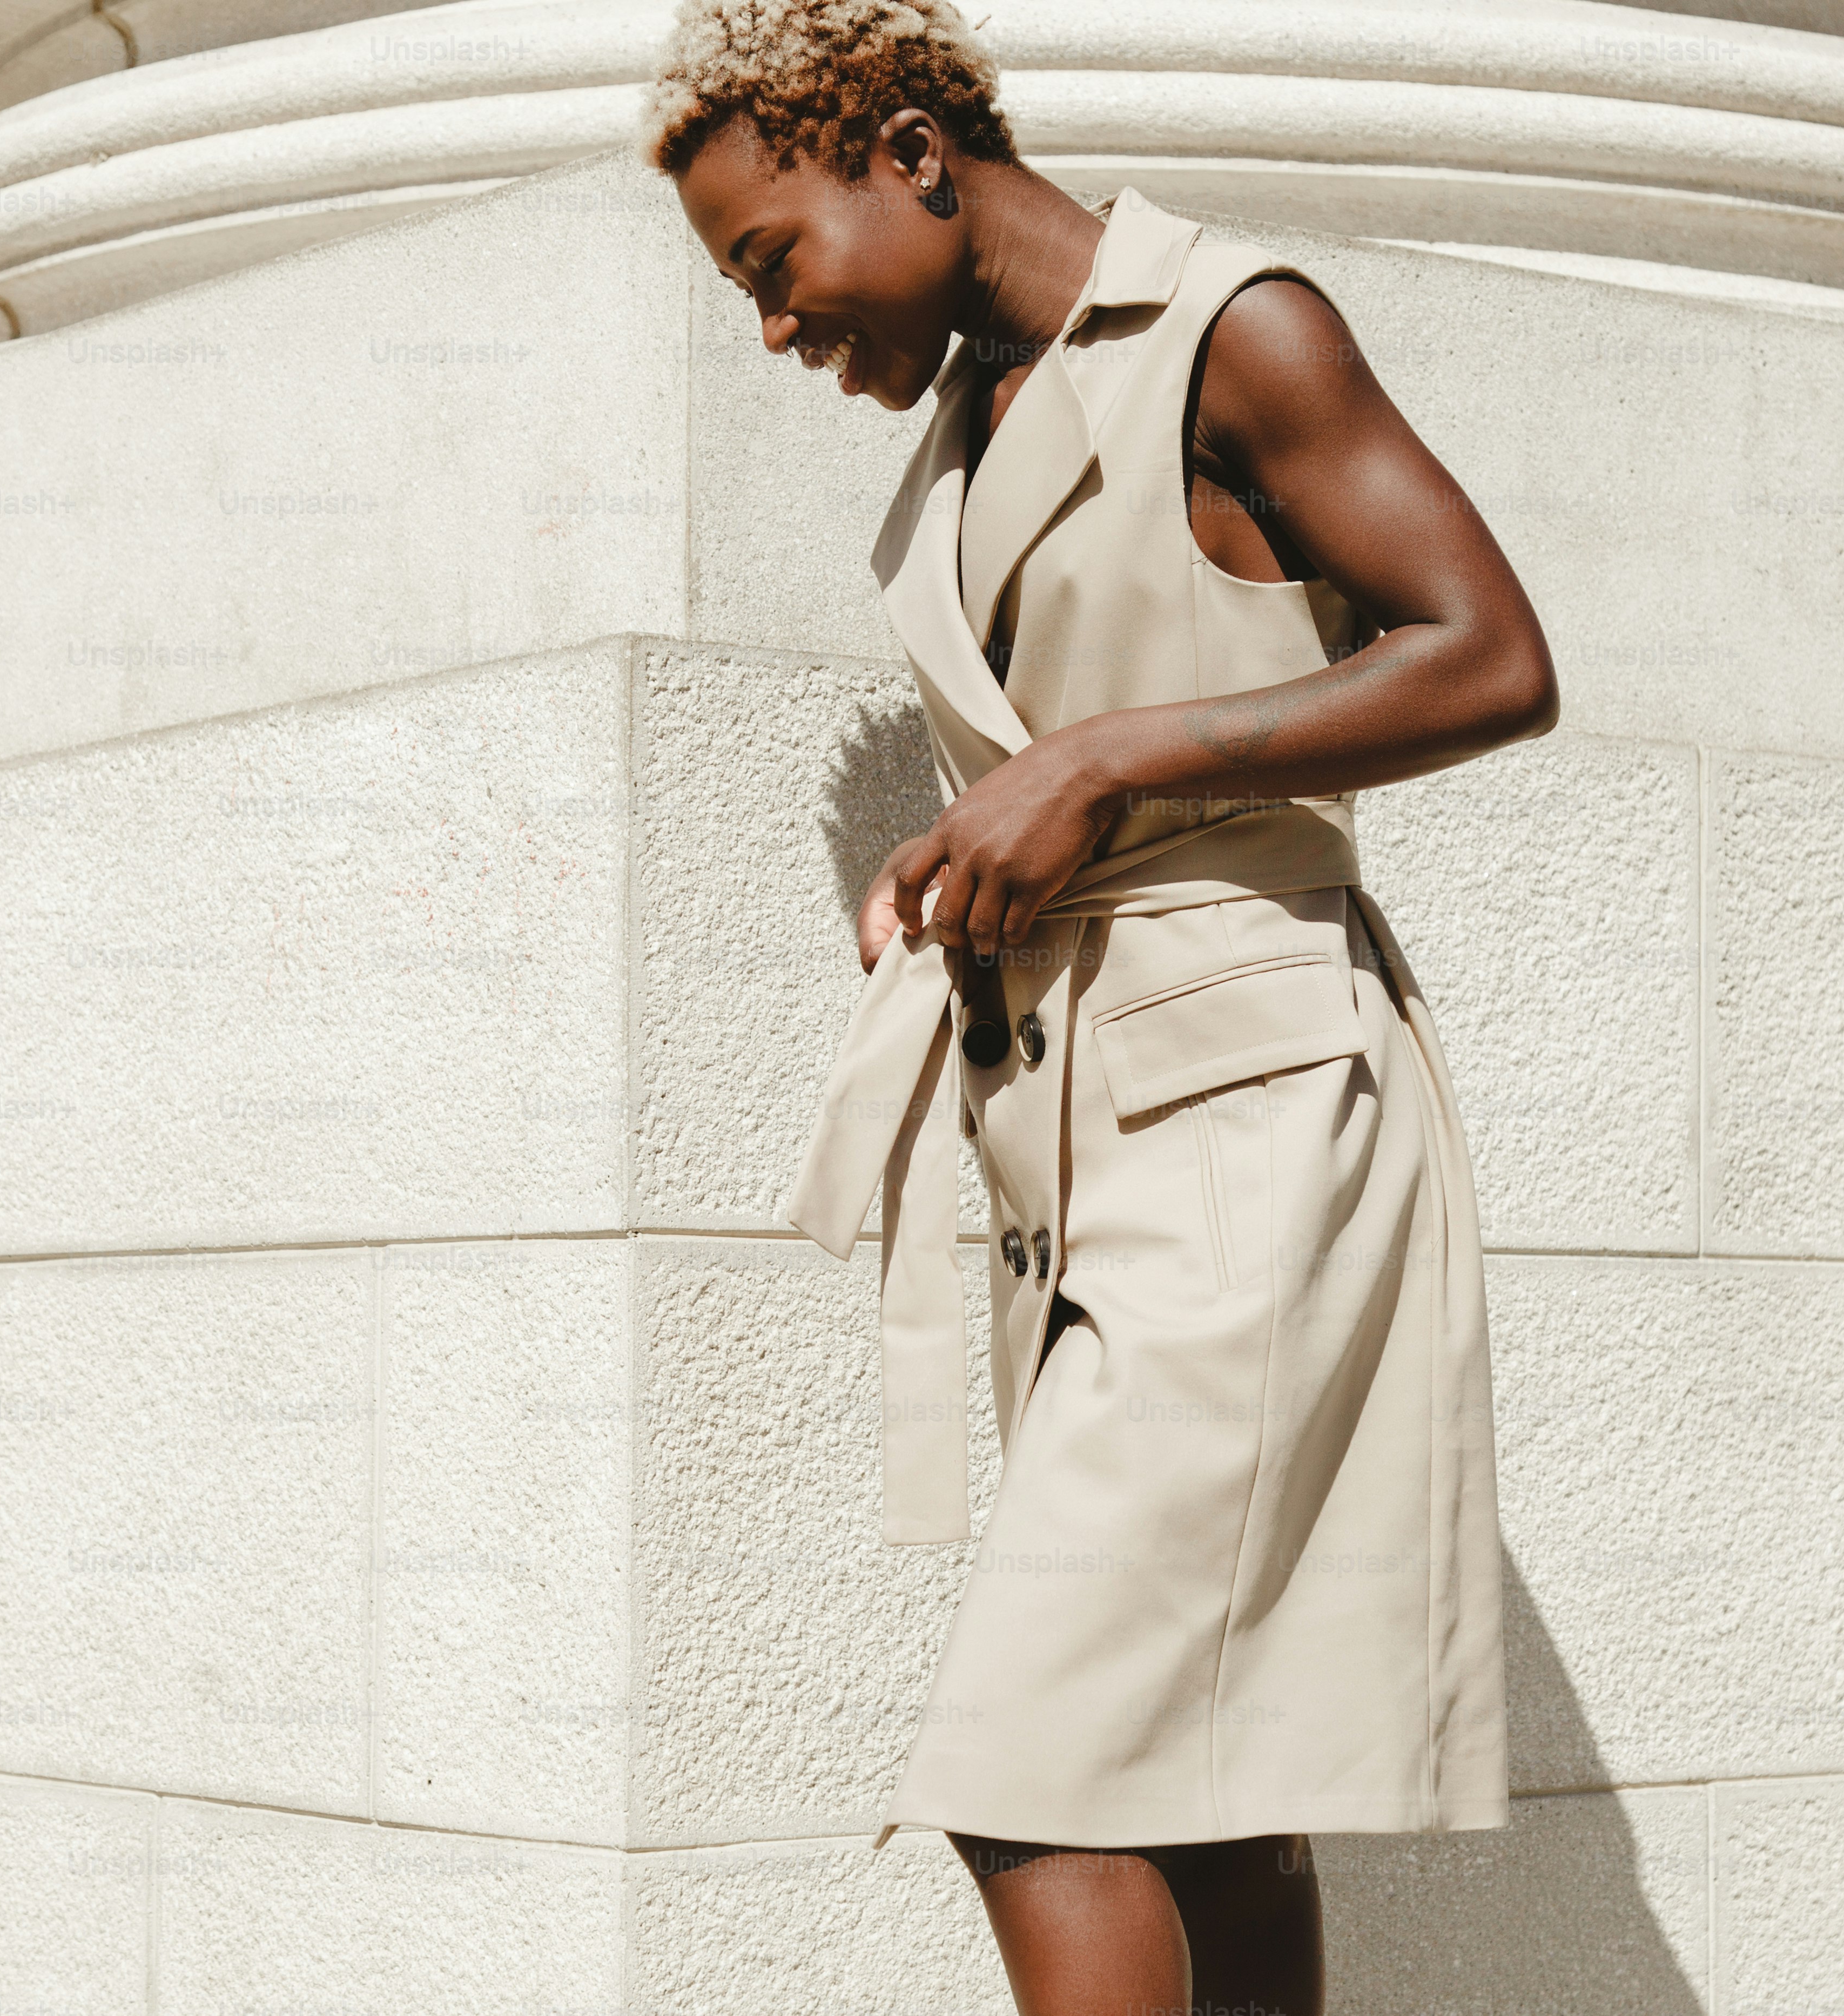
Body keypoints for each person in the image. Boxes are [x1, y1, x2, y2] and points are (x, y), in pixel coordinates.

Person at [647, 3, 1558, 2008]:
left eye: (768, 262)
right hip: (1075, 1139)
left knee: (1033, 1765)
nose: (776, 331)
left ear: (902, 148)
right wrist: (985, 837)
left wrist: (1107, 764)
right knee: (1202, 1784)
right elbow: (1088, 756)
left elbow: (1491, 655)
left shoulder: (1234, 328)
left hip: (1252, 1117)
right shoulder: (974, 430)